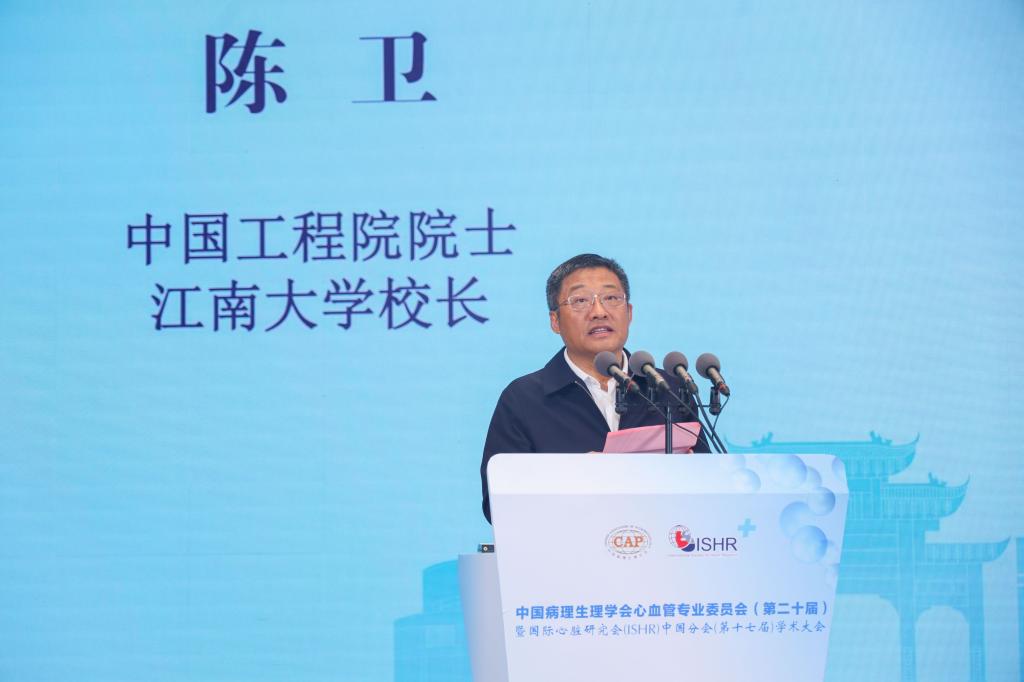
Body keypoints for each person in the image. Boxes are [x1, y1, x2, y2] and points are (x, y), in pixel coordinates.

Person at [480, 253, 709, 522]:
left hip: (660, 541)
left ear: (629, 313)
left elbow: (709, 487)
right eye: (580, 301)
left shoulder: (667, 388)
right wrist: (575, 478)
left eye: (611, 298)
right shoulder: (524, 398)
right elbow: (498, 504)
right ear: (555, 321)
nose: (599, 311)